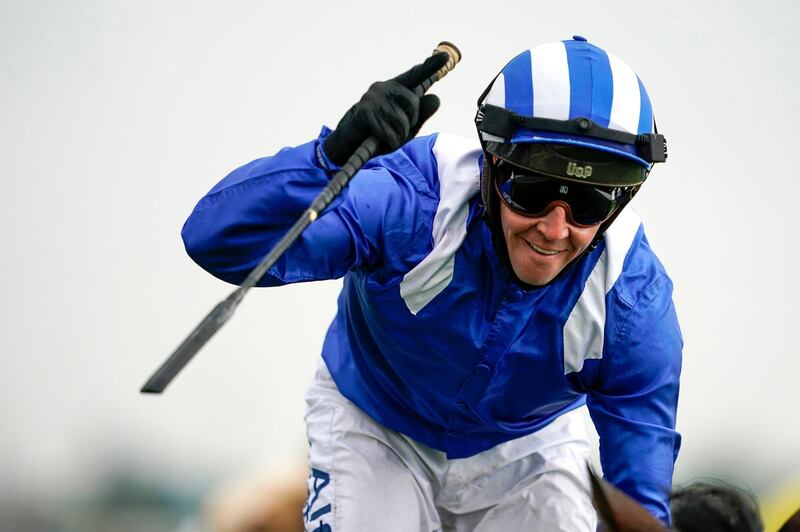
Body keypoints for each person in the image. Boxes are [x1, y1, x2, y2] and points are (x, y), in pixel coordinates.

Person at [182, 36, 682, 531]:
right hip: (375, 426)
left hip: (532, 452)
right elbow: (216, 242)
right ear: (492, 162)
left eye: (589, 204)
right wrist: (328, 157)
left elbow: (641, 500)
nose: (554, 229)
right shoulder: (414, 202)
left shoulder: (634, 303)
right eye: (533, 190)